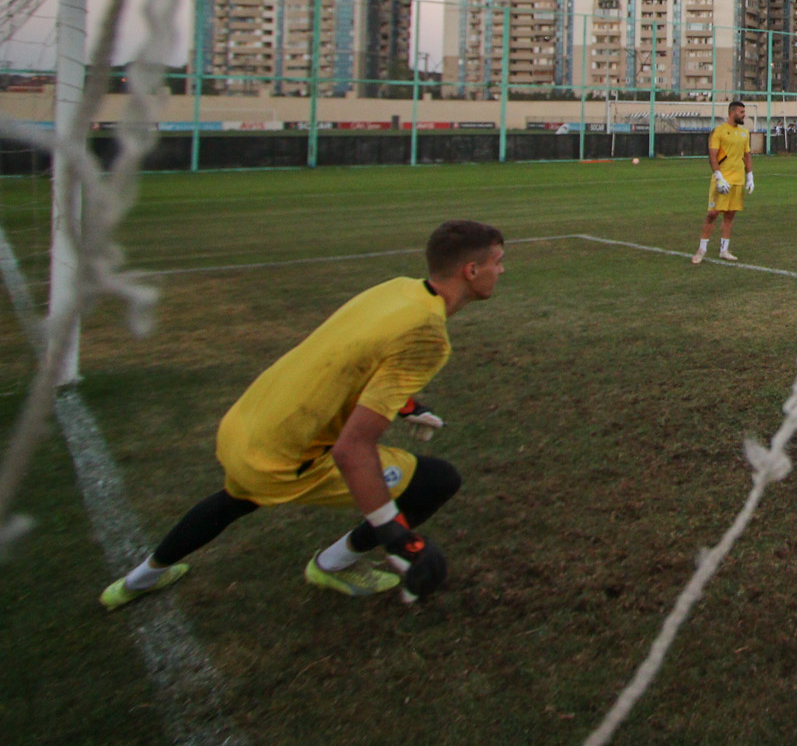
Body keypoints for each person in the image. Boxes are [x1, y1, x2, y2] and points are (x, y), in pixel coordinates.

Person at [99, 221, 505, 610]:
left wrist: (408, 405)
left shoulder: (399, 289)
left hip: (247, 425)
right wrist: (397, 536)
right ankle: (332, 566)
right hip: (285, 458)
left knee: (234, 499)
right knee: (437, 481)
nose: (501, 271)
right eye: (497, 262)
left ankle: (137, 581)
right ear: (471, 270)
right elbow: (352, 450)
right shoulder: (429, 332)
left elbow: (353, 359)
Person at [694, 99, 753, 265]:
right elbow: (713, 155)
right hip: (723, 180)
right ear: (733, 113)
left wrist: (750, 177)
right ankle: (702, 249)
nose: (744, 115)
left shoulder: (744, 133)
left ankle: (724, 250)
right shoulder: (719, 131)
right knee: (712, 214)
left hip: (738, 180)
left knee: (730, 215)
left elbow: (746, 156)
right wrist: (719, 177)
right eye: (741, 112)